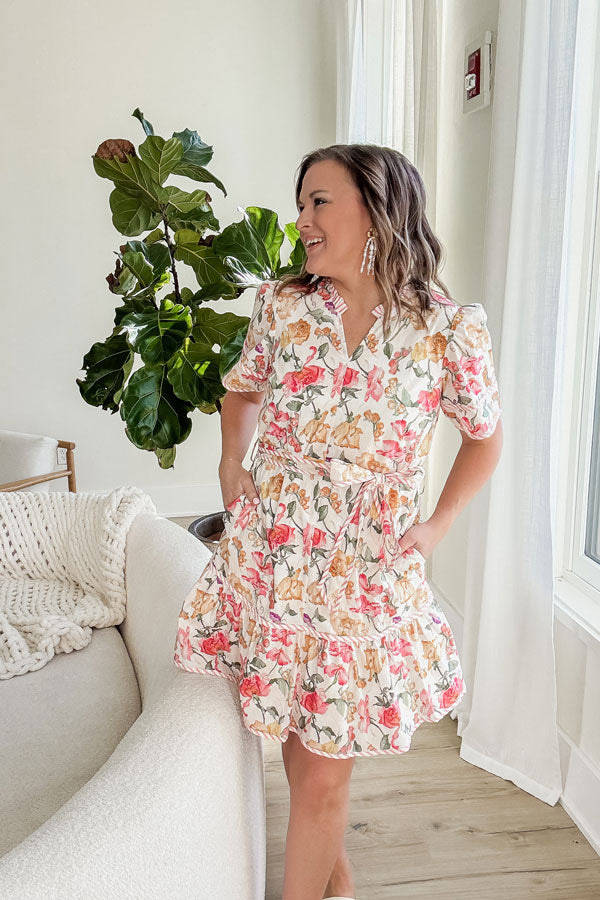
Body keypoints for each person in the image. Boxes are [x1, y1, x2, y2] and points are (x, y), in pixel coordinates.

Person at [173, 143, 503, 900]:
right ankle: (334, 870)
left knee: (324, 772)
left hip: (367, 568)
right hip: (277, 549)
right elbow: (242, 389)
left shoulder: (448, 329)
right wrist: (231, 464)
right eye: (301, 204)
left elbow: (485, 438)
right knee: (300, 733)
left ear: (377, 211)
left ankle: (319, 875)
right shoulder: (282, 308)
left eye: (319, 201)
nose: (302, 220)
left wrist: (437, 526)